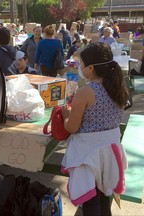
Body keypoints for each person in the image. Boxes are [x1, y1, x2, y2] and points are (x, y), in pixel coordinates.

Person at [61, 42, 129, 216]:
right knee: (104, 196)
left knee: (90, 201)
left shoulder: (85, 92)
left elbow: (72, 128)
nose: (80, 67)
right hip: (111, 153)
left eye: (81, 64)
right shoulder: (118, 88)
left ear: (90, 68)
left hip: (88, 156)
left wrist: (66, 115)